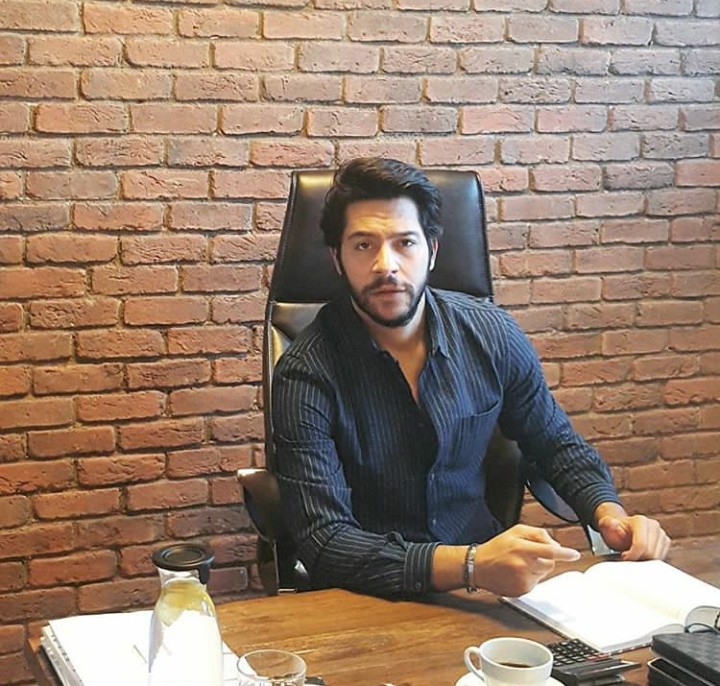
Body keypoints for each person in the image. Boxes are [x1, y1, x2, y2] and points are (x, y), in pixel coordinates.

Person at [271, 157, 670, 598]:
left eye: (405, 243)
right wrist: (470, 565)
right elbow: (326, 542)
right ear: (337, 259)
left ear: (432, 251)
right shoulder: (305, 373)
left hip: (486, 592)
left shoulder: (492, 334)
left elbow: (553, 443)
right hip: (369, 596)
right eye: (363, 245)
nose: (387, 265)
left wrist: (609, 514)